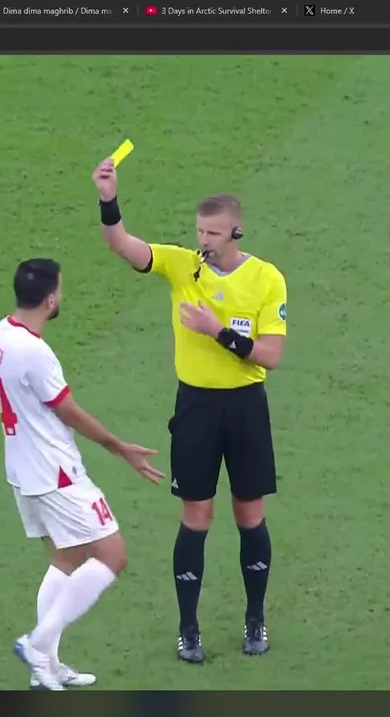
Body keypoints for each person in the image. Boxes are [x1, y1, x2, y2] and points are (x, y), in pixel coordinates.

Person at [90, 158, 288, 663]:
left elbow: (270, 355)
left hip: (246, 408)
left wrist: (215, 331)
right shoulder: (183, 265)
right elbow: (122, 244)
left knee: (250, 514)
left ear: (236, 232)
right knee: (196, 516)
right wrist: (108, 198)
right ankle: (189, 629)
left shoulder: (267, 279)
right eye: (200, 231)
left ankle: (255, 619)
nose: (204, 240)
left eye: (214, 233)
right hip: (196, 408)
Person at [0, 258, 164, 690]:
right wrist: (120, 448)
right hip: (55, 472)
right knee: (113, 556)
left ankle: (45, 666)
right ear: (50, 300)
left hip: (21, 468)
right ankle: (37, 643)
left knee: (66, 560)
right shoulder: (36, 353)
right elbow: (69, 412)